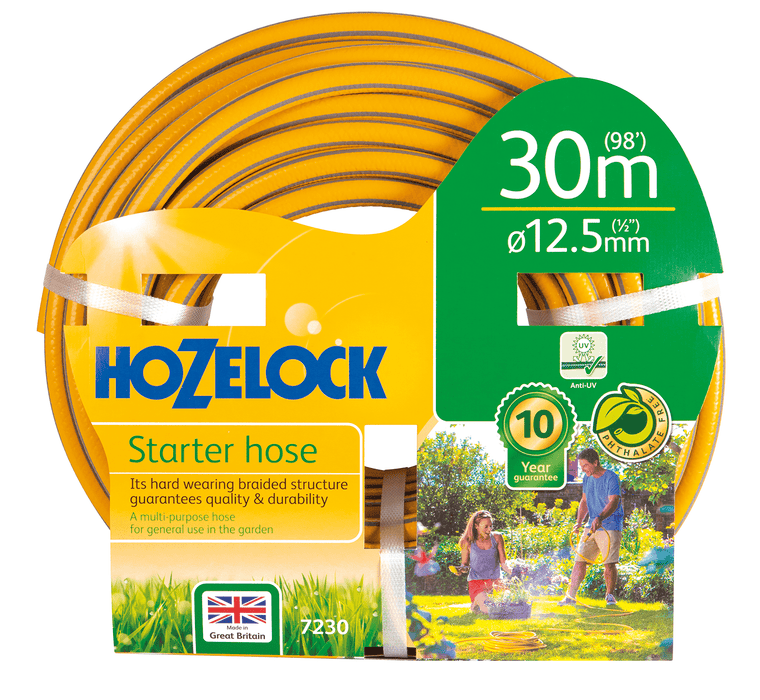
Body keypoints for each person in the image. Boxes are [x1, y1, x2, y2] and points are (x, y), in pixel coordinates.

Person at [558, 448, 624, 607]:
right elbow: (584, 501)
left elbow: (614, 501)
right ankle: (570, 597)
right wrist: (579, 522)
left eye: (585, 465)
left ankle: (609, 596)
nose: (583, 469)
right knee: (579, 560)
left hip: (610, 525)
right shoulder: (587, 478)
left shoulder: (611, 477)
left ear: (595, 462)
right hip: (591, 526)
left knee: (609, 563)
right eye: (581, 466)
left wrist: (600, 517)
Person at [458, 510, 509, 613]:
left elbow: (504, 563)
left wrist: (515, 571)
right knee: (489, 609)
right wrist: (461, 569)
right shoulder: (467, 541)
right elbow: (465, 564)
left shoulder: (497, 538)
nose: (489, 529)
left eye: (491, 526)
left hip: (496, 582)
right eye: (486, 527)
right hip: (477, 583)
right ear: (476, 526)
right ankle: (476, 602)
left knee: (508, 606)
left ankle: (481, 602)